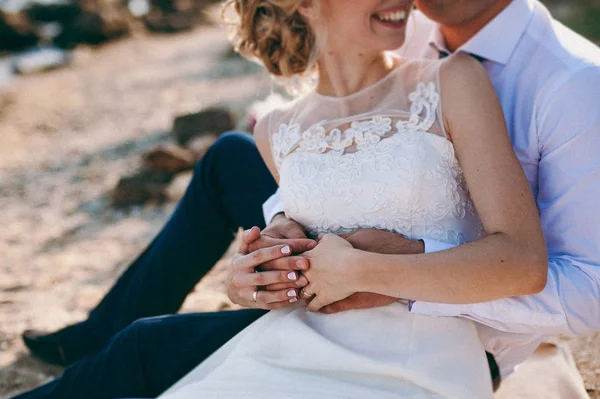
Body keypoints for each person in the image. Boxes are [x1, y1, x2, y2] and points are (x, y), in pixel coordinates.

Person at [15, 0, 600, 397]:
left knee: (148, 347)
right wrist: (272, 250)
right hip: (333, 289)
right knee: (228, 155)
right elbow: (336, 135)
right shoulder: (409, 30)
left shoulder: (570, 81)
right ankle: (100, 330)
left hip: (455, 324)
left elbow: (578, 290)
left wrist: (394, 269)